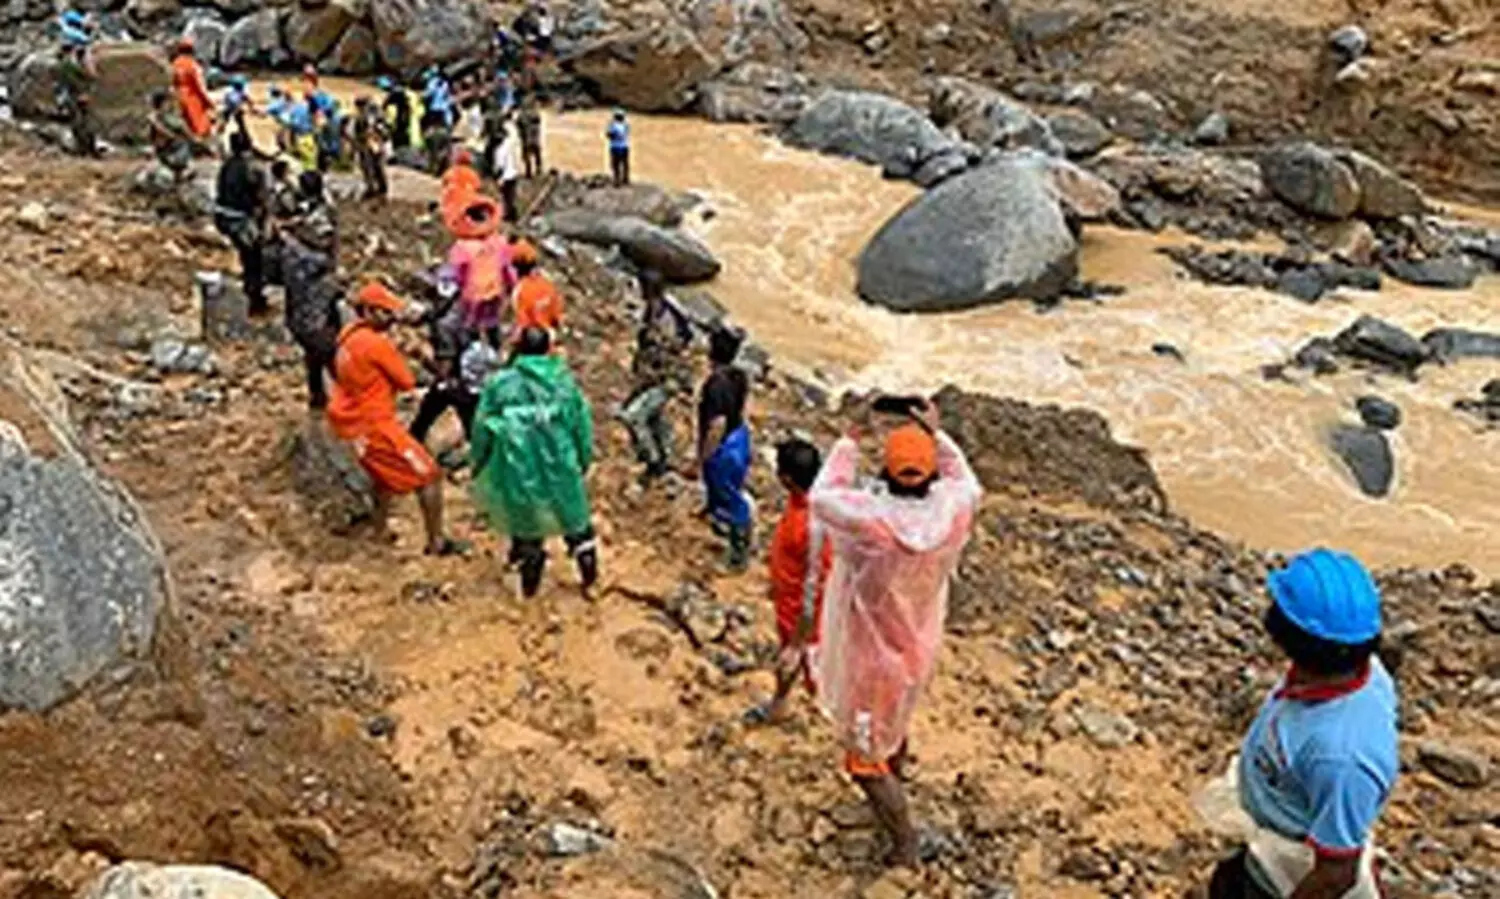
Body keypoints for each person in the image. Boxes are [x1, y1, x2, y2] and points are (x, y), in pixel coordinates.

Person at [812, 399, 981, 867]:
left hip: (873, 661)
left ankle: (904, 842)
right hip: (919, 647)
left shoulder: (872, 523)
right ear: (931, 475)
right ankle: (897, 788)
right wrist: (938, 435)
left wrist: (849, 439)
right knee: (896, 725)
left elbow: (822, 497)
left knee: (862, 763)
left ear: (884, 472)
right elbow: (967, 481)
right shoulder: (952, 513)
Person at [1203, 549, 1395, 899]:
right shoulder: (1362, 672)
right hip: (1272, 820)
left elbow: (1336, 874)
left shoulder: (1340, 757)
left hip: (1288, 865)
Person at [327, 282, 464, 556]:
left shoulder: (347, 338)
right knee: (429, 475)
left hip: (355, 422)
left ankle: (379, 531)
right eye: (384, 313)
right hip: (376, 423)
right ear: (366, 311)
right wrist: (412, 353)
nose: (390, 319)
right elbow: (407, 381)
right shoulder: (376, 345)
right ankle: (436, 542)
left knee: (383, 478)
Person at [470, 326, 597, 598]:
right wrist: (584, 458)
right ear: (548, 348)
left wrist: (478, 462)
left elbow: (481, 427)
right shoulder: (564, 382)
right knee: (575, 520)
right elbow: (581, 425)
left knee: (527, 525)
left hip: (517, 464)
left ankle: (530, 594)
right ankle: (590, 582)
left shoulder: (500, 384)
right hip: (562, 462)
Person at [745, 438, 833, 725]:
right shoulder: (803, 504)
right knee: (793, 660)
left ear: (786, 479)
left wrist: (799, 638)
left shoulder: (810, 522)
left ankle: (824, 717)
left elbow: (816, 582)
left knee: (805, 664)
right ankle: (781, 702)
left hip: (804, 614)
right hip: (790, 602)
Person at [616, 268, 690, 484]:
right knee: (653, 417)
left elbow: (661, 358)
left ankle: (653, 463)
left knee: (634, 416)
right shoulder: (659, 310)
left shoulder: (663, 321)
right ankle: (665, 456)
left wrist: (641, 384)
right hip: (660, 377)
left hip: (665, 379)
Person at [280, 180, 341, 411]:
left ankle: (317, 396)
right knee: (327, 354)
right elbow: (323, 257)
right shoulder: (304, 252)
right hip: (313, 309)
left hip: (305, 307)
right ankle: (349, 400)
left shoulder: (291, 243)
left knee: (315, 355)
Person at [696, 325, 752, 571]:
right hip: (739, 437)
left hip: (724, 446)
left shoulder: (715, 384)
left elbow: (717, 424)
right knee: (725, 486)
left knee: (729, 493)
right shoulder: (738, 376)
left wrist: (703, 456)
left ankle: (739, 553)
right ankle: (716, 515)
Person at [409, 264, 479, 445]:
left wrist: (422, 358)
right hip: (473, 374)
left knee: (427, 415)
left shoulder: (443, 325)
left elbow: (444, 368)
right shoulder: (463, 306)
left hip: (455, 381)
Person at [446, 193, 514, 348]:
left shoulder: (462, 247)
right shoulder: (499, 242)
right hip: (494, 291)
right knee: (492, 323)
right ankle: (493, 352)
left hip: (472, 295)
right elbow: (507, 269)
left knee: (469, 326)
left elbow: (457, 275)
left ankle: (471, 357)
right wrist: (511, 286)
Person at [214, 131, 268, 317]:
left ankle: (252, 294)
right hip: (241, 220)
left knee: (247, 257)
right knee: (254, 259)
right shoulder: (252, 169)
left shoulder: (226, 166)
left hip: (224, 216)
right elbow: (260, 199)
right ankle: (255, 301)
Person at [508, 239, 562, 340]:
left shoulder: (520, 291)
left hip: (531, 343)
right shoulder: (548, 285)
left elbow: (521, 325)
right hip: (549, 338)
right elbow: (557, 318)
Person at [55, 38, 97, 157]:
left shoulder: (65, 63)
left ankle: (84, 148)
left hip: (71, 96)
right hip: (74, 96)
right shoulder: (68, 64)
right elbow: (81, 79)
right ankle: (85, 148)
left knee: (79, 122)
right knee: (80, 122)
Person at [170, 37, 213, 140]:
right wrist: (209, 101)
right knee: (199, 125)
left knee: (185, 125)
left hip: (179, 96)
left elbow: (172, 82)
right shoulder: (193, 65)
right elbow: (200, 85)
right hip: (192, 97)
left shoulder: (174, 64)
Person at [147, 89, 195, 181]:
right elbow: (183, 132)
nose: (170, 104)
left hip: (166, 153)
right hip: (171, 153)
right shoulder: (163, 118)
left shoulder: (157, 117)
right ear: (163, 103)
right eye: (168, 102)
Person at [353, 96, 390, 201]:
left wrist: (368, 138)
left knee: (369, 166)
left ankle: (373, 189)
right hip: (377, 143)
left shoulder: (366, 114)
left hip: (370, 143)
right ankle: (381, 189)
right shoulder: (378, 112)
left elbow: (364, 129)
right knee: (378, 167)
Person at [494, 117, 521, 222]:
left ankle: (509, 215)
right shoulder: (509, 144)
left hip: (505, 176)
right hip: (513, 173)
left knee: (506, 198)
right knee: (512, 196)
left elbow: (500, 167)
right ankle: (514, 214)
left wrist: (498, 178)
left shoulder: (499, 151)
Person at [220, 74, 254, 143]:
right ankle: (245, 138)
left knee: (224, 122)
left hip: (228, 109)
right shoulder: (243, 92)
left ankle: (220, 133)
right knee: (241, 124)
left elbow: (224, 101)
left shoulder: (228, 91)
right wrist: (251, 109)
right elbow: (250, 102)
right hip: (236, 110)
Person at [518, 95, 543, 179]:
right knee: (537, 154)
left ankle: (528, 172)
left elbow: (519, 125)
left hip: (526, 138)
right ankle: (539, 169)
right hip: (535, 138)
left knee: (526, 156)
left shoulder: (522, 115)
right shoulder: (536, 114)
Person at [606, 108, 630, 187]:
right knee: (625, 164)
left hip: (615, 147)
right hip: (625, 146)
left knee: (615, 164)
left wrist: (609, 126)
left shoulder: (613, 126)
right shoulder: (626, 125)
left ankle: (617, 181)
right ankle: (625, 179)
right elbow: (626, 133)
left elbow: (609, 135)